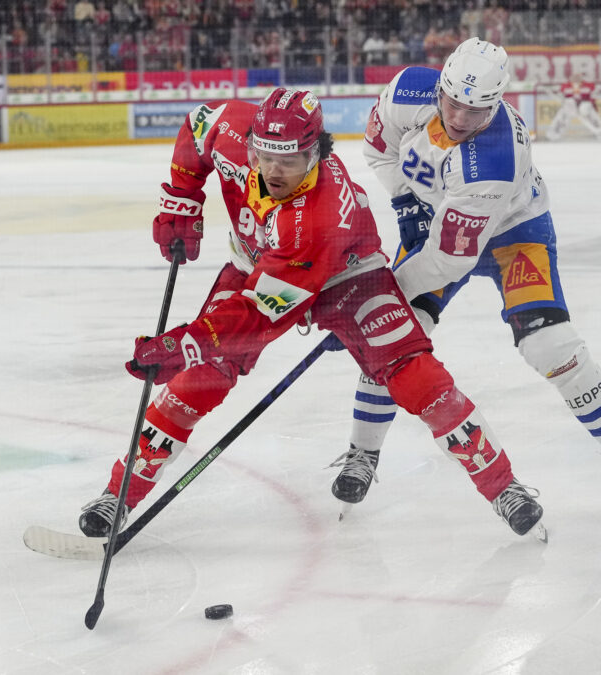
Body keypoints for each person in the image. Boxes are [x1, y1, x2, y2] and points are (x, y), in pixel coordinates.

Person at [78, 87, 546, 539]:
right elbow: (197, 126)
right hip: (256, 264)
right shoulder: (233, 130)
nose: (274, 170)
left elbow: (259, 317)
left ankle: (502, 486)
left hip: (345, 275)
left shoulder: (317, 216)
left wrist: (186, 343)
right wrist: (182, 195)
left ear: (316, 153)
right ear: (251, 144)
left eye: (290, 160)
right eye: (265, 156)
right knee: (198, 381)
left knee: (413, 372)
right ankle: (118, 494)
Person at [335, 38, 601, 520]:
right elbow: (379, 150)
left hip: (513, 231)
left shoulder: (494, 161)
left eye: (479, 108)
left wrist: (387, 295)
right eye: (454, 103)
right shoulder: (406, 91)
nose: (462, 118)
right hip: (436, 219)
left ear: (499, 101)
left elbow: (448, 261)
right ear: (439, 87)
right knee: (393, 337)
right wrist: (404, 201)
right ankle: (363, 451)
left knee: (549, 345)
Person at [546, 75, 601, 141]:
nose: (576, 83)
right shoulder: (565, 86)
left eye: (578, 81)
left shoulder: (589, 86)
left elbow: (594, 96)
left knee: (587, 110)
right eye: (574, 81)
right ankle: (554, 132)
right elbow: (561, 98)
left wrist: (588, 103)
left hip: (584, 106)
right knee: (565, 111)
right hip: (570, 107)